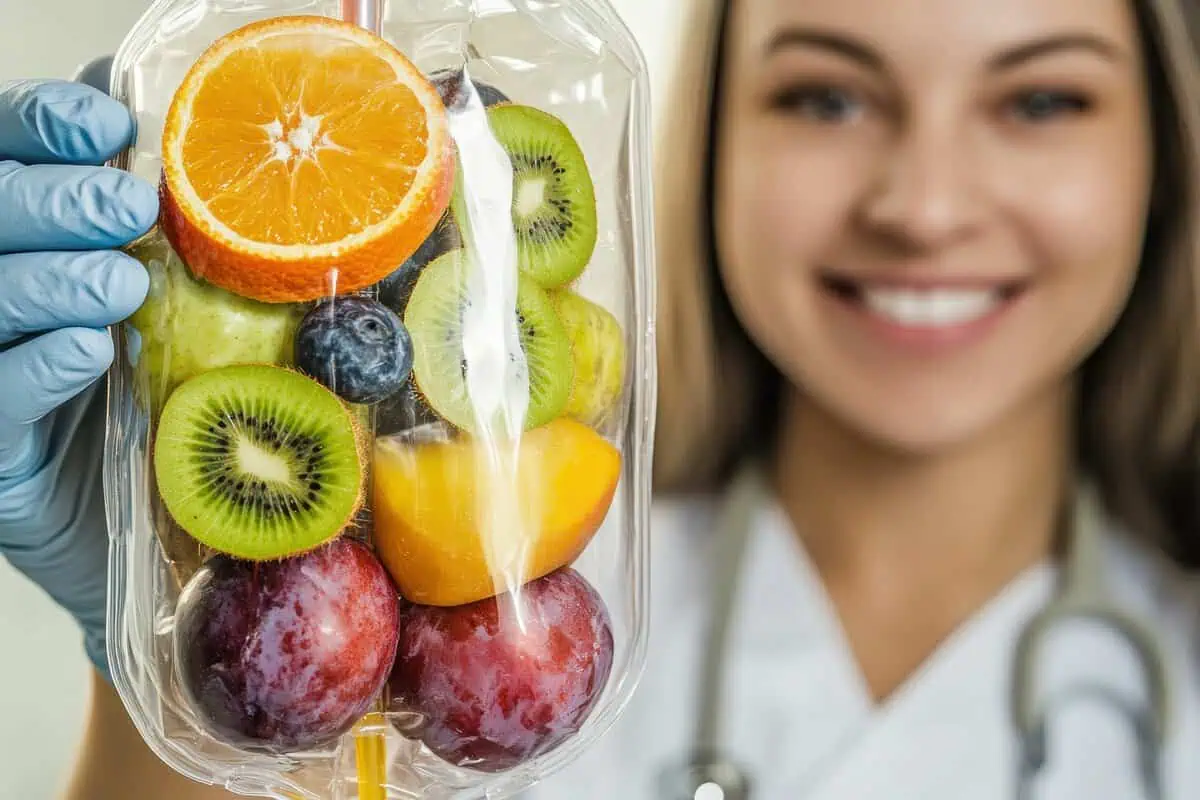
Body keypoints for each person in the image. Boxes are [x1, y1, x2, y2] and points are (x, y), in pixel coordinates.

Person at [3, 0, 1200, 797]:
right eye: (827, 98)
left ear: (1170, 140)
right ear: (707, 140)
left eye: (1043, 101)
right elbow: (292, 716)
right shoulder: (477, 604)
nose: (925, 205)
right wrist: (170, 633)